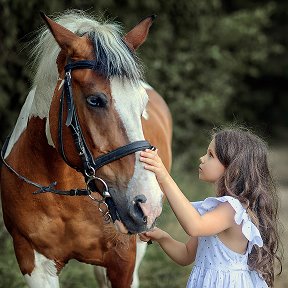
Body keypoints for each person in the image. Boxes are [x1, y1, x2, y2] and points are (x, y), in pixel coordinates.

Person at [139, 127, 282, 288]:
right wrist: (161, 237)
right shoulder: (213, 211)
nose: (202, 158)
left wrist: (164, 177)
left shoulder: (232, 209)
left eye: (210, 155)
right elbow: (186, 255)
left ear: (233, 169)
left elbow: (194, 226)